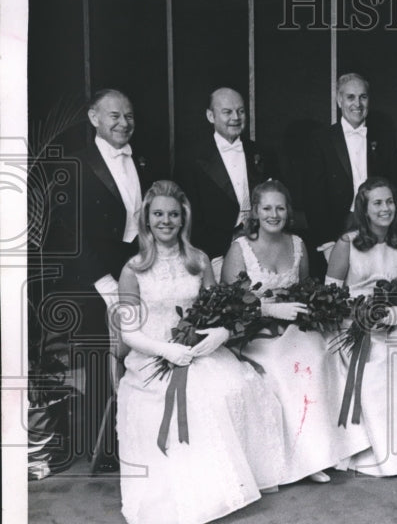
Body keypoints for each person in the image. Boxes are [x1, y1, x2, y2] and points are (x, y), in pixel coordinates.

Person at [114, 180, 284, 524]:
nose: (166, 221)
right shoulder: (133, 268)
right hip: (154, 356)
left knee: (236, 384)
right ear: (147, 218)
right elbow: (128, 333)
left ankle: (232, 483)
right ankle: (198, 496)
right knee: (193, 399)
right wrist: (166, 350)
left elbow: (218, 310)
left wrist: (219, 333)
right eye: (158, 214)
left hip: (198, 349)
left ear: (183, 220)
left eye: (173, 215)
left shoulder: (199, 260)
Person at [50, 88, 158, 471]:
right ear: (94, 118)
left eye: (128, 116)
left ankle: (135, 437)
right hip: (93, 275)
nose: (123, 123)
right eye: (114, 116)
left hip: (134, 268)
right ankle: (103, 450)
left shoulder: (143, 160)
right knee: (99, 358)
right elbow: (69, 233)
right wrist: (104, 283)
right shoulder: (77, 163)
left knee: (138, 349)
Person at [221, 180, 343, 485]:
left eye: (280, 207)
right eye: (267, 208)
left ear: (288, 211)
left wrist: (303, 310)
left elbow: (304, 288)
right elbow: (231, 306)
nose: (273, 214)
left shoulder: (298, 244)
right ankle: (296, 460)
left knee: (318, 353)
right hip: (251, 331)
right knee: (281, 365)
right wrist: (267, 310)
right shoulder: (240, 248)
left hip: (291, 326)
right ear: (256, 213)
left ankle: (318, 454)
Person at [325, 177, 397, 476]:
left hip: (394, 316)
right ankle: (373, 446)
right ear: (364, 207)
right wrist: (363, 313)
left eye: (389, 202)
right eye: (377, 203)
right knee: (377, 362)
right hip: (354, 320)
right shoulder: (346, 243)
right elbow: (331, 294)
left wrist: (395, 313)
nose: (385, 208)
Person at [304, 73, 397, 253]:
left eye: (363, 97)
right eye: (350, 97)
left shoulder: (384, 137)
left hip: (378, 224)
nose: (357, 104)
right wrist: (326, 242)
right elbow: (314, 196)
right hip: (337, 227)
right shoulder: (321, 139)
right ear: (339, 100)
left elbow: (395, 185)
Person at [175, 87, 273, 267]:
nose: (236, 118)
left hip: (261, 249)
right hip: (213, 255)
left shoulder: (260, 152)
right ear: (210, 116)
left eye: (241, 111)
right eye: (227, 112)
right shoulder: (191, 159)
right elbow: (189, 217)